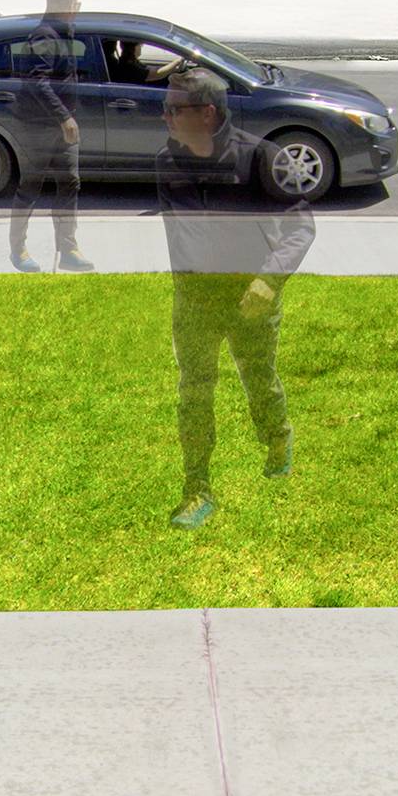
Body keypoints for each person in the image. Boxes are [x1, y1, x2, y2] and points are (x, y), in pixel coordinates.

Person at [156, 68, 314, 529]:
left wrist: (267, 282)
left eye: (174, 109)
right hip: (195, 300)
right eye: (165, 108)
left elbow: (301, 227)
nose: (165, 117)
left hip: (251, 297)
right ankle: (197, 487)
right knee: (194, 390)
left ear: (207, 113)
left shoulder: (260, 158)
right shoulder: (167, 162)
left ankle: (277, 437)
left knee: (259, 380)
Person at [8, 0, 95, 274]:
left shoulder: (64, 33)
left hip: (62, 128)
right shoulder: (44, 35)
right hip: (39, 127)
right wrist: (64, 117)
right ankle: (18, 249)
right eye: (76, 5)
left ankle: (68, 248)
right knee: (30, 187)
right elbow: (38, 81)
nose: (78, 9)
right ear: (68, 6)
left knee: (69, 183)